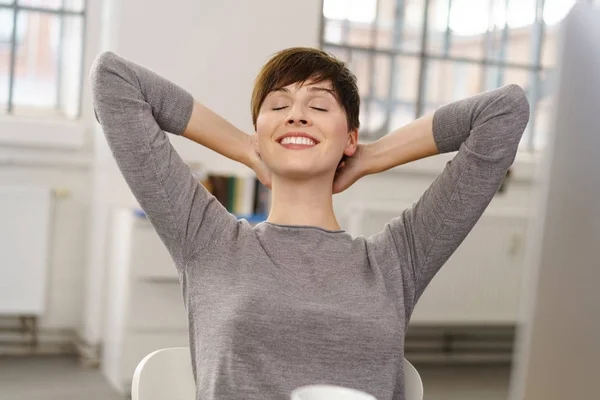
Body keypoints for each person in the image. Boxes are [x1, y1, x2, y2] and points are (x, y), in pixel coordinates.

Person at [90, 47, 530, 400]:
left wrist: (370, 156)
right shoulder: (208, 240)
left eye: (318, 106)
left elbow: (503, 113)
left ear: (350, 136)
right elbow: (114, 80)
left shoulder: (396, 260)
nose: (296, 115)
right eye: (278, 105)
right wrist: (245, 147)